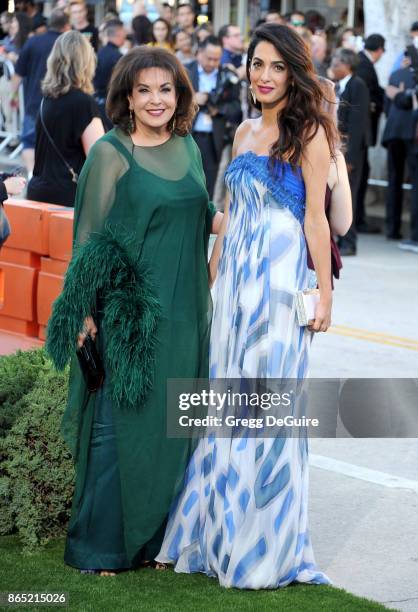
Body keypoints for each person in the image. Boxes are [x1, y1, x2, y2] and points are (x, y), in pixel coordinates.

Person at [157, 22, 338, 589]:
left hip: (281, 287)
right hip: (234, 287)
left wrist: (325, 292)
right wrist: (212, 277)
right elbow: (231, 215)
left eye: (276, 67)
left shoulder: (308, 132)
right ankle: (218, 532)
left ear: (294, 71)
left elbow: (316, 218)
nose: (264, 76)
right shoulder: (241, 132)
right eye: (257, 65)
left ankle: (263, 547)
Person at [46, 45, 221, 576]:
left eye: (165, 89)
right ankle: (100, 548)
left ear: (179, 95)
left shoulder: (189, 147)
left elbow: (205, 213)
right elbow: (89, 240)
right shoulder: (111, 153)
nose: (155, 100)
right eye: (143, 89)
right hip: (130, 318)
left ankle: (155, 541)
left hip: (187, 310)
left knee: (172, 427)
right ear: (125, 95)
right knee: (118, 429)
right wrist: (84, 315)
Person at [27, 31, 104, 206]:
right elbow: (99, 159)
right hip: (68, 196)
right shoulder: (84, 103)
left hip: (38, 192)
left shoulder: (46, 100)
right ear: (86, 62)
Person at [10, 9, 71, 175]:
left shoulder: (33, 41)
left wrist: (12, 96)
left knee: (29, 141)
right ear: (66, 25)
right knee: (57, 142)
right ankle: (49, 174)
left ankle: (32, 174)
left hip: (33, 101)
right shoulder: (68, 44)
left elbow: (18, 74)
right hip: (62, 103)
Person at [187, 35, 242, 199]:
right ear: (199, 53)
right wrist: (192, 100)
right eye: (209, 58)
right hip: (188, 135)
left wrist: (218, 110)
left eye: (216, 59)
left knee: (207, 187)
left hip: (213, 139)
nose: (212, 63)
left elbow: (237, 108)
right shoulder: (185, 71)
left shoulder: (227, 76)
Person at [331, 47, 370, 256]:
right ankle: (341, 239)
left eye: (336, 65)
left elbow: (357, 123)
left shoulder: (358, 85)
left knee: (349, 196)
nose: (333, 68)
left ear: (347, 66)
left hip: (351, 151)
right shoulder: (340, 86)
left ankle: (349, 242)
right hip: (339, 148)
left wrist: (350, 158)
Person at [382, 63, 416, 240]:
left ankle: (391, 228)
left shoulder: (396, 74)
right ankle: (415, 232)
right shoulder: (410, 76)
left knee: (394, 180)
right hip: (412, 133)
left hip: (393, 131)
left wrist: (399, 94)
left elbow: (387, 106)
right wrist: (405, 96)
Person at [355, 34, 385, 234]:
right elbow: (367, 97)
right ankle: (358, 220)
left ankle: (359, 218)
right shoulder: (363, 65)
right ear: (380, 50)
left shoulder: (361, 62)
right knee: (360, 176)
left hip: (361, 132)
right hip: (360, 133)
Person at [93, 19, 126, 130]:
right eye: (124, 33)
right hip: (112, 103)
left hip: (97, 101)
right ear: (119, 34)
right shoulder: (118, 57)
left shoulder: (99, 53)